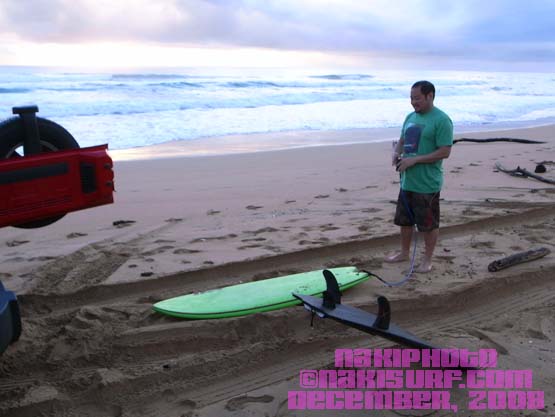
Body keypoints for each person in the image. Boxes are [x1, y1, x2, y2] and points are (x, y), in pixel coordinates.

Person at [384, 80, 453, 273]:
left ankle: (427, 260)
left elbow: (445, 151)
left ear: (430, 96)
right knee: (405, 221)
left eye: (417, 98)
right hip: (407, 181)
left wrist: (415, 160)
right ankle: (404, 253)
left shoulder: (442, 120)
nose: (413, 102)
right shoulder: (410, 117)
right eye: (411, 98)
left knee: (428, 225)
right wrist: (396, 153)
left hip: (427, 183)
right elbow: (402, 140)